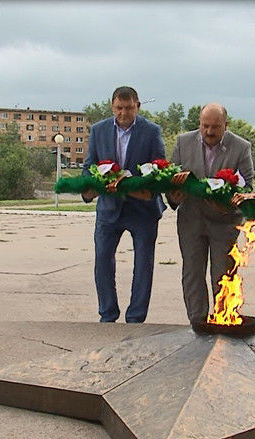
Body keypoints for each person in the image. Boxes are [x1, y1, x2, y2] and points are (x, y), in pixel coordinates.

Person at [81, 86, 166, 323]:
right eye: (119, 108)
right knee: (102, 261)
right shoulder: (98, 130)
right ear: (112, 106)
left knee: (143, 265)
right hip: (109, 209)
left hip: (142, 209)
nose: (123, 113)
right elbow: (89, 165)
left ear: (137, 106)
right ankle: (108, 314)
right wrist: (92, 185)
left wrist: (138, 185)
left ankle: (136, 317)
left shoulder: (152, 131)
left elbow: (160, 167)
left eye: (129, 108)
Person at [168, 103, 253, 324]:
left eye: (215, 127)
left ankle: (223, 320)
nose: (209, 131)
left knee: (223, 275)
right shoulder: (183, 142)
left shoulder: (241, 147)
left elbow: (247, 188)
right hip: (191, 220)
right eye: (205, 126)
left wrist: (228, 202)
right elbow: (170, 178)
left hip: (225, 223)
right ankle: (197, 322)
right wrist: (173, 195)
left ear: (226, 125)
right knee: (192, 274)